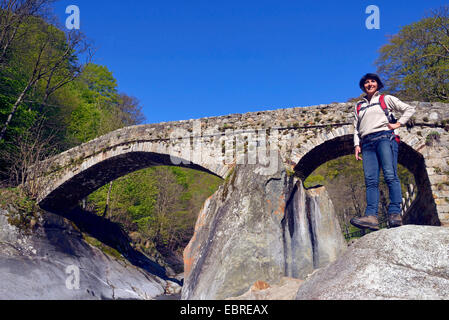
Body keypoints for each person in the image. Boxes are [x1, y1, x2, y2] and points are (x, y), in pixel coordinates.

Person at [350, 73, 416, 230]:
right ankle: (371, 217)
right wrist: (356, 145)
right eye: (366, 82)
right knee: (370, 180)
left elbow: (409, 109)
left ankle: (394, 213)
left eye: (373, 81)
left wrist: (398, 124)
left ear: (378, 84)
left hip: (385, 138)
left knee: (390, 175)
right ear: (363, 86)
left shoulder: (386, 99)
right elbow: (356, 128)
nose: (369, 84)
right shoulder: (359, 106)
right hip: (366, 144)